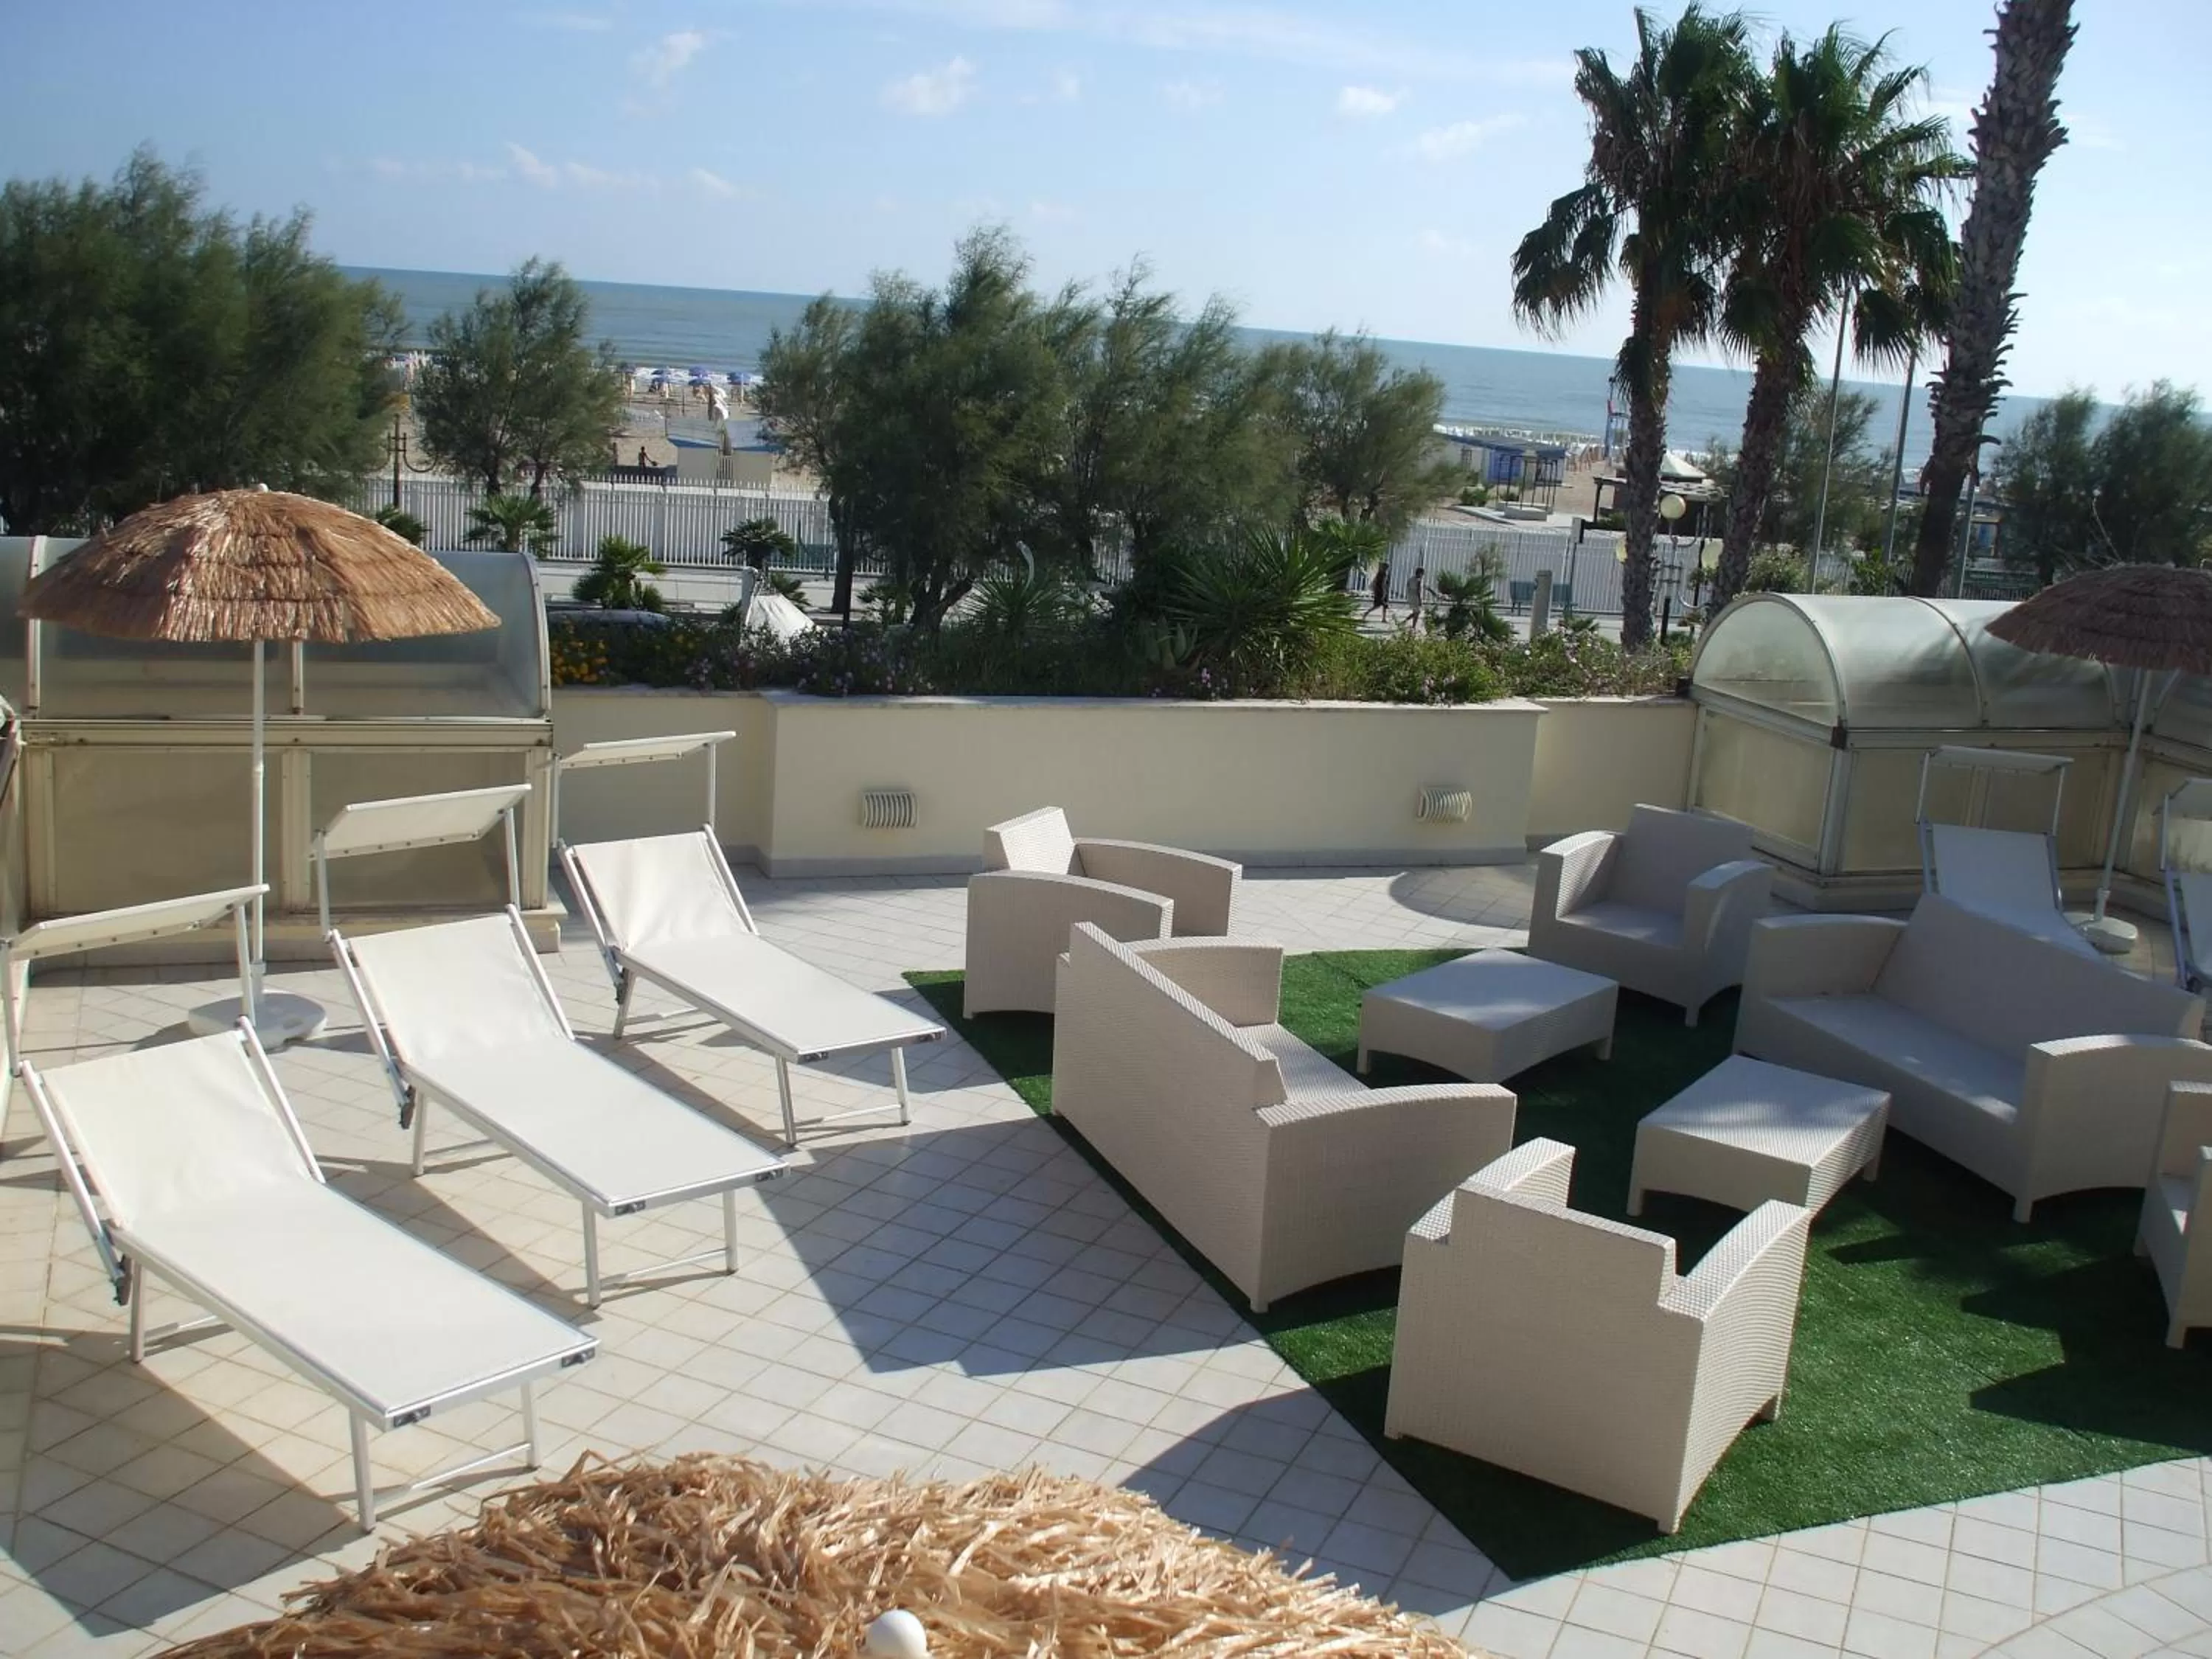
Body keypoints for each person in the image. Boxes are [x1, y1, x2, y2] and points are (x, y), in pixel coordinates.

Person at [1405, 564, 1430, 634]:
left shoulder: (1411, 579)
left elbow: (1408, 587)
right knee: (1417, 612)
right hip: (1416, 598)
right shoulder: (1419, 581)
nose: (1423, 575)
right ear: (1420, 573)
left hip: (1411, 597)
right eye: (1423, 573)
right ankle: (1413, 627)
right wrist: (1420, 600)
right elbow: (1418, 591)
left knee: (1416, 612)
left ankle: (1406, 621)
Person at [1365, 560, 1393, 624]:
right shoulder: (1383, 574)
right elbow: (1383, 584)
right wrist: (1384, 593)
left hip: (1378, 591)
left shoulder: (1379, 573)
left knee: (1384, 606)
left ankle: (1384, 618)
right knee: (1378, 605)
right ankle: (1366, 613)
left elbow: (1376, 583)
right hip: (1381, 591)